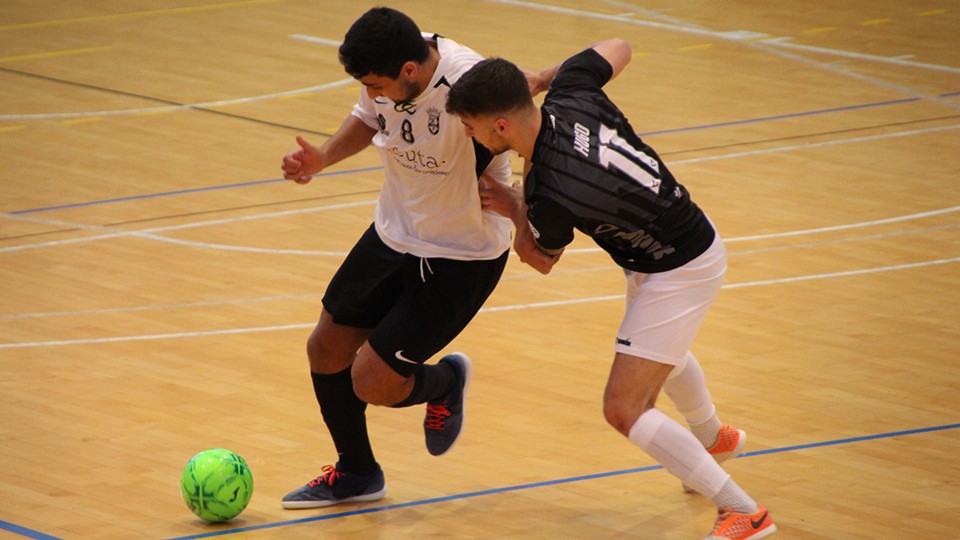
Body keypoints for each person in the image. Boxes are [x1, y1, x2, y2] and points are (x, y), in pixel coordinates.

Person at [445, 40, 777, 539]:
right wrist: (542, 78)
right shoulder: (573, 91)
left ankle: (742, 513)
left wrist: (515, 208)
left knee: (624, 407)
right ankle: (714, 438)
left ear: (501, 127)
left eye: (470, 126)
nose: (468, 135)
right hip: (677, 239)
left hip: (677, 268)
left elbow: (541, 259)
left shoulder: (549, 194)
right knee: (661, 355)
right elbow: (619, 46)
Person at [278, 7, 513, 509]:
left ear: (411, 70)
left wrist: (526, 213)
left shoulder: (469, 83)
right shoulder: (387, 73)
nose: (373, 93)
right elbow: (367, 119)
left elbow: (525, 130)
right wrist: (322, 157)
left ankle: (446, 381)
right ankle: (357, 473)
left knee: (373, 382)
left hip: (461, 254)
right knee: (325, 348)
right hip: (395, 233)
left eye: (378, 84)